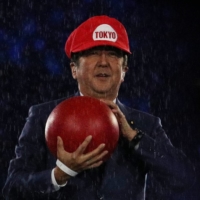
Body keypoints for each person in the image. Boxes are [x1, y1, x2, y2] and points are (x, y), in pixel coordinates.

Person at [2, 15, 196, 200]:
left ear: (124, 72)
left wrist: (135, 138)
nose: (103, 62)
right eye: (93, 53)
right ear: (74, 70)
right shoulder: (43, 116)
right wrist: (60, 174)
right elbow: (12, 189)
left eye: (112, 54)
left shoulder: (146, 125)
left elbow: (185, 180)